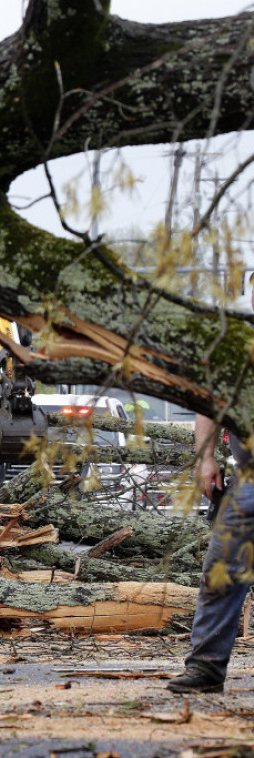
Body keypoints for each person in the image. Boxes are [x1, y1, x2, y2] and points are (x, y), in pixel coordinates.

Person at [168, 286, 254, 693]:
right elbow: (207, 400)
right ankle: (205, 669)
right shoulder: (236, 349)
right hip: (248, 479)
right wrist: (205, 457)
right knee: (221, 572)